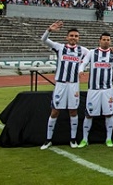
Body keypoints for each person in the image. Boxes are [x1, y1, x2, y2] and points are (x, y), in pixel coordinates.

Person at [40, 21, 89, 150]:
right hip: (60, 84)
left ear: (78, 38)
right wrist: (49, 30)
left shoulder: (83, 50)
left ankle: (72, 139)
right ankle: (48, 139)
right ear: (67, 37)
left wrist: (112, 51)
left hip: (74, 85)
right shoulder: (60, 47)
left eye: (76, 36)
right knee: (55, 111)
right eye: (71, 35)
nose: (74, 38)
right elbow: (44, 40)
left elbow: (94, 55)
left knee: (73, 111)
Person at [78, 32, 113, 148]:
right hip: (93, 89)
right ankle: (85, 139)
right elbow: (83, 63)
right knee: (89, 114)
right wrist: (80, 70)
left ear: (110, 41)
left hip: (108, 89)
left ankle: (108, 139)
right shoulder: (92, 53)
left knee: (109, 114)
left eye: (108, 39)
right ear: (100, 40)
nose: (106, 41)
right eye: (104, 39)